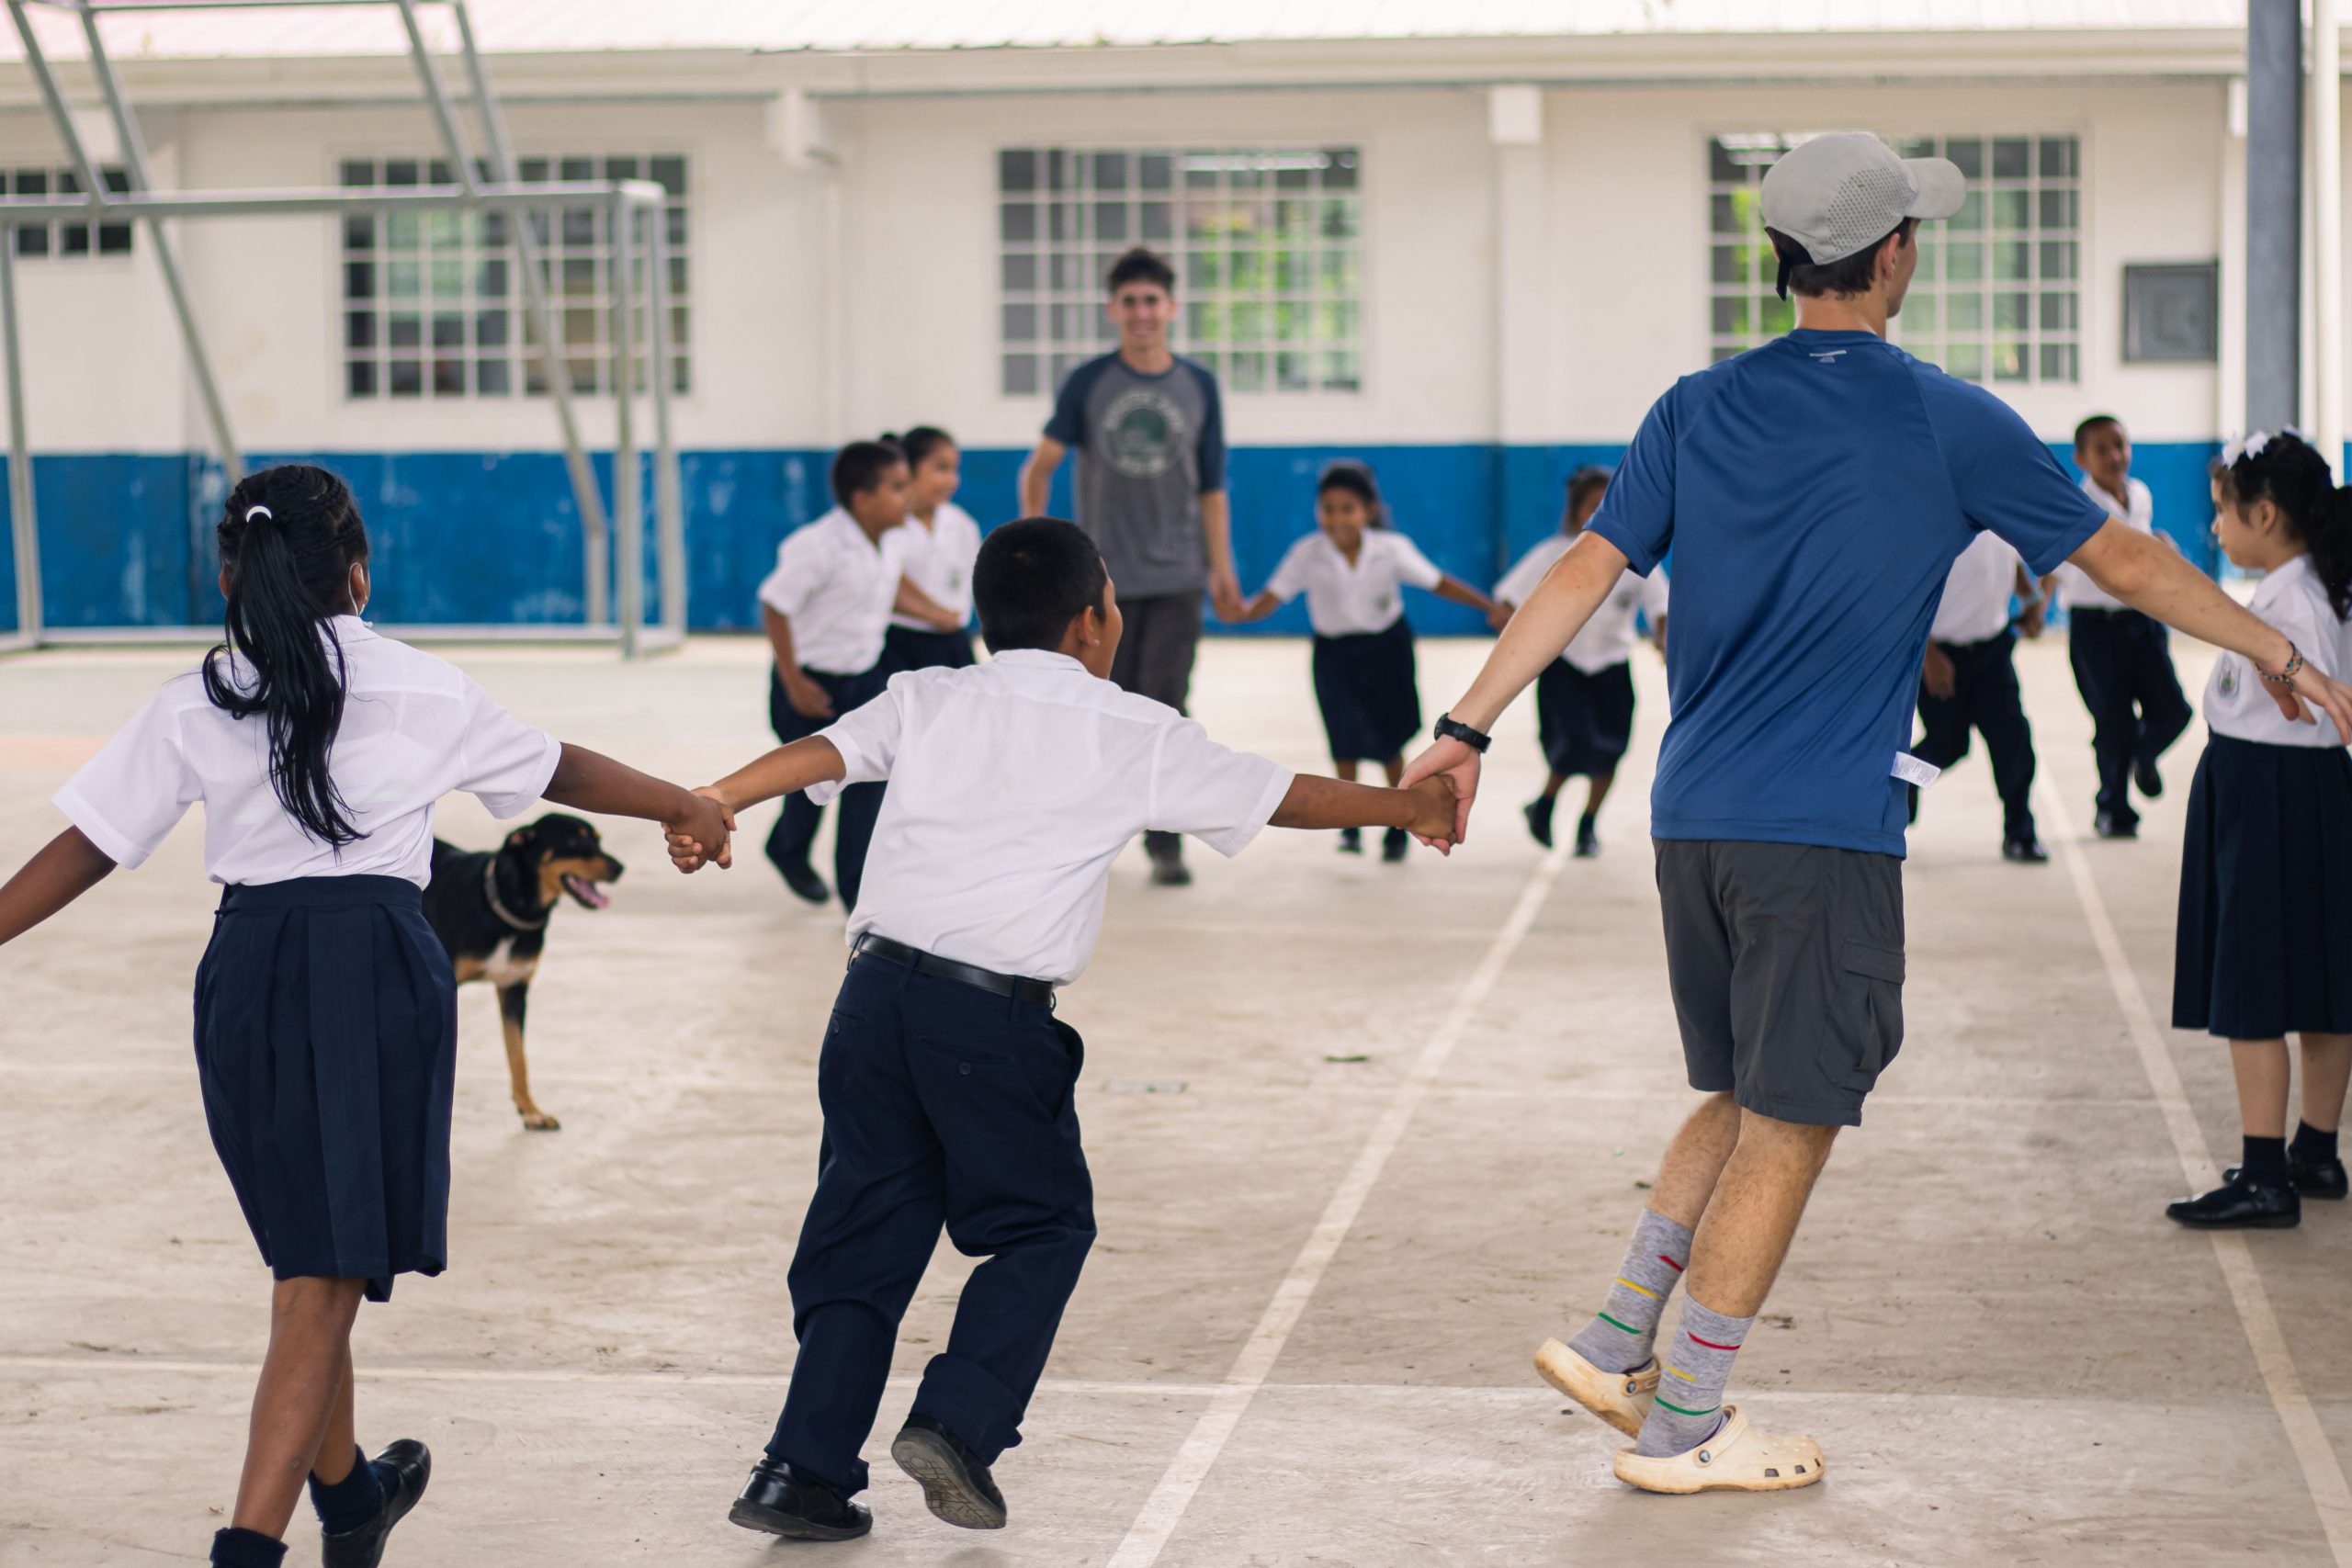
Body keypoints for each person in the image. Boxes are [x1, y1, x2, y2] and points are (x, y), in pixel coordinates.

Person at [1401, 132, 2352, 1496]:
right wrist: (2279, 650)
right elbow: (2130, 560)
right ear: (1893, 254)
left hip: (1696, 821)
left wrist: (1463, 725)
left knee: (1739, 1088)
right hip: (1821, 832)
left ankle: (1622, 1338)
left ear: (1783, 260)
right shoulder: (1941, 416)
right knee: (1796, 1113)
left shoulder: (1692, 406)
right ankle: (1687, 1420)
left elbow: (1580, 571)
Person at [0, 465, 730, 1568]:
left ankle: (349, 1496)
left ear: (227, 573)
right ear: (358, 572)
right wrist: (684, 801)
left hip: (246, 974)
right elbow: (557, 765)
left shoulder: (201, 694)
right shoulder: (422, 686)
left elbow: (92, 843)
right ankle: (248, 1548)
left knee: (310, 1261)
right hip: (378, 974)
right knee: (319, 1279)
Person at [676, 519, 1457, 1542]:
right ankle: (956, 1424)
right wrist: (1407, 807)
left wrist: (715, 798)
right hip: (988, 1019)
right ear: (1095, 621)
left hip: (871, 1003)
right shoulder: (1131, 726)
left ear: (984, 617)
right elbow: (1283, 797)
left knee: (861, 1238)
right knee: (1041, 1225)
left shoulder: (931, 693)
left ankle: (799, 1471)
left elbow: (820, 752)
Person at [2165, 430, 2352, 1229]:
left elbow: (2292, 693)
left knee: (2254, 987)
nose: (2216, 528)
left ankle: (2267, 1173)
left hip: (2268, 795)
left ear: (2266, 513)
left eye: (2223, 513)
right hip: (2307, 791)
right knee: (2322, 984)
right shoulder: (2318, 587)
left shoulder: (2290, 604)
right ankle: (2316, 1148)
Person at [1018, 245, 1240, 887]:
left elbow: (1213, 486)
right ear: (1113, 309)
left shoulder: (1198, 385)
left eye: (1153, 301)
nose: (1142, 312)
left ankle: (1165, 838)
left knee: (1164, 703)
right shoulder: (1090, 381)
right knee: (1095, 704)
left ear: (1171, 307)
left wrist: (1221, 567)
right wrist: (1038, 548)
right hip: (1101, 581)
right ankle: (1085, 830)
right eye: (1130, 302)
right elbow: (1039, 467)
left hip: (1176, 574)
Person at [1229, 461, 1496, 861]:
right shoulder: (1307, 553)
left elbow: (1437, 581)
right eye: (1328, 509)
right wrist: (1242, 612)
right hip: (1335, 655)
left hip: (1386, 650)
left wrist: (1488, 606)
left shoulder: (1391, 549)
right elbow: (1273, 595)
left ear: (1368, 511)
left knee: (1390, 741)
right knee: (1345, 741)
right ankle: (1350, 825)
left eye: (1347, 508)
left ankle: (1399, 823)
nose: (1337, 518)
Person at [757, 441, 954, 910]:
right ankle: (786, 848)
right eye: (897, 488)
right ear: (863, 500)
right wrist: (794, 681)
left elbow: (888, 588)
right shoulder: (816, 546)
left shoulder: (893, 539)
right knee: (807, 786)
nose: (908, 497)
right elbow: (775, 607)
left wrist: (935, 613)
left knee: (867, 785)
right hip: (809, 684)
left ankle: (857, 895)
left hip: (864, 680)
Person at [1491, 466, 1669, 858]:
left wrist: (1664, 637)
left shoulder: (1638, 560)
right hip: (1564, 666)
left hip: (1611, 665)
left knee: (1610, 747)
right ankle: (1547, 802)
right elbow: (1506, 600)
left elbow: (1662, 610)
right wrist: (1515, 628)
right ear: (1575, 514)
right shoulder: (1553, 554)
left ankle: (1588, 823)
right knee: (1568, 746)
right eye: (1594, 506)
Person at [2057, 414, 2195, 839]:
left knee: (2175, 711)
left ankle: (2143, 755)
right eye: (2102, 449)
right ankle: (2112, 808)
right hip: (2095, 629)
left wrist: (2159, 545)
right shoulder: (2077, 506)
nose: (2115, 456)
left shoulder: (2139, 494)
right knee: (2112, 721)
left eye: (2121, 445)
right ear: (2081, 458)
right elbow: (2063, 564)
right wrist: (2034, 605)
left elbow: (2138, 544)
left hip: (2141, 620)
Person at [1907, 530, 2054, 862]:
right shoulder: (1936, 517)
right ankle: (1902, 781)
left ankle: (2020, 830)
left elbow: (2010, 561)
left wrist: (2031, 601)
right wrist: (1927, 653)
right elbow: (1906, 590)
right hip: (1942, 656)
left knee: (2013, 740)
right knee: (1949, 744)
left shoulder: (1999, 509)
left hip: (1992, 651)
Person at [881, 426, 982, 673]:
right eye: (941, 469)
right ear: (908, 470)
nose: (951, 480)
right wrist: (935, 615)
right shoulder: (891, 525)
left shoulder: (961, 524)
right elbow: (887, 583)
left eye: (954, 470)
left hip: (952, 643)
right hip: (899, 644)